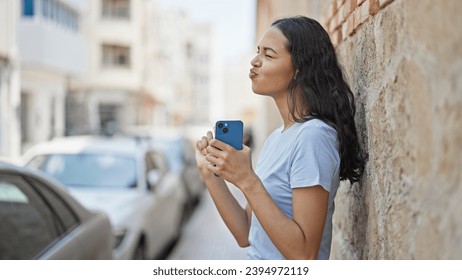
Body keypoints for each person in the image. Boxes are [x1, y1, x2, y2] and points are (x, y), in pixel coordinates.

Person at [195, 16, 365, 260]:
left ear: (299, 69)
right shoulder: (277, 138)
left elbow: (304, 255)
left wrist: (247, 180)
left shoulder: (313, 137)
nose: (254, 61)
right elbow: (246, 233)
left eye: (268, 55)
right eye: (257, 52)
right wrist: (210, 176)